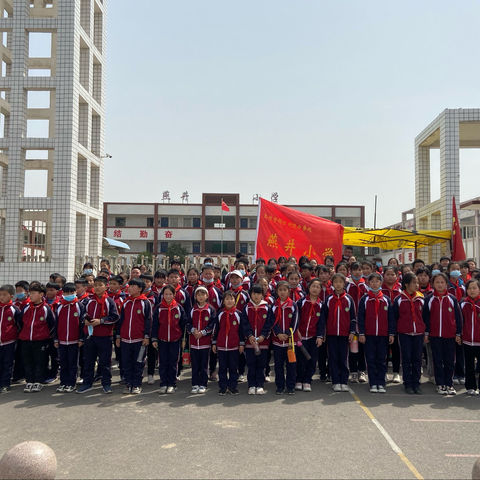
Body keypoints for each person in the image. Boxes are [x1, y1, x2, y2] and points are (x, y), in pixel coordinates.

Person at [77, 276, 119, 394]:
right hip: (90, 336)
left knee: (105, 362)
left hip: (105, 336)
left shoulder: (109, 301)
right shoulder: (87, 300)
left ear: (106, 286)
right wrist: (84, 321)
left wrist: (101, 321)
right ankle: (87, 383)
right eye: (95, 285)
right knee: (88, 361)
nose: (97, 287)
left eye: (100, 285)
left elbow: (115, 317)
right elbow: (81, 315)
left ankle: (106, 384)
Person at [423, 272, 462, 395]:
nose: (440, 285)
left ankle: (449, 384)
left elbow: (458, 317)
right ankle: (440, 384)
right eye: (437, 282)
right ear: (433, 284)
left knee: (450, 361)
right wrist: (427, 333)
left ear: (446, 284)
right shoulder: (429, 299)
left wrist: (458, 333)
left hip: (450, 335)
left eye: (442, 282)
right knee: (437, 360)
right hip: (435, 336)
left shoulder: (452, 299)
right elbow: (425, 318)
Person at [317, 273, 356, 392]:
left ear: (344, 284)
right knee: (333, 357)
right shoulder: (328, 299)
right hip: (332, 334)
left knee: (343, 358)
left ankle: (343, 381)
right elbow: (323, 318)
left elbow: (353, 317)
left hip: (345, 334)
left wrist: (352, 331)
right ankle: (335, 381)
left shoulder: (349, 299)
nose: (338, 284)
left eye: (340, 282)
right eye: (336, 282)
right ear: (332, 284)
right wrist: (323, 333)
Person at [358, 273, 395, 393]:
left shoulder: (386, 299)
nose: (374, 283)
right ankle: (373, 383)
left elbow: (391, 318)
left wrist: (391, 333)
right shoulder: (365, 299)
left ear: (381, 283)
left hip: (383, 335)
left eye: (377, 281)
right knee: (370, 359)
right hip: (369, 335)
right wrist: (362, 333)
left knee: (381, 359)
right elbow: (361, 318)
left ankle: (381, 382)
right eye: (372, 281)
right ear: (368, 283)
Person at [115, 278, 151, 394]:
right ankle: (128, 384)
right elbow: (121, 320)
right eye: (129, 286)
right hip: (125, 339)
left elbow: (148, 321)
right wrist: (118, 336)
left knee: (139, 362)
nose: (130, 288)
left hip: (139, 340)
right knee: (126, 362)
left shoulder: (145, 303)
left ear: (140, 289)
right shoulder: (126, 302)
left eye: (133, 286)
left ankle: (136, 384)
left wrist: (146, 336)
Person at [19, 283, 55, 392]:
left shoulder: (46, 308)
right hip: (26, 340)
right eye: (30, 293)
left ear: (41, 295)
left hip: (40, 341)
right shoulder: (26, 308)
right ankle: (29, 381)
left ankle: (38, 381)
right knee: (27, 361)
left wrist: (46, 337)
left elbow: (52, 324)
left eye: (34, 293)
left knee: (40, 361)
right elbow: (20, 323)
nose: (31, 295)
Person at [393, 273, 426, 394]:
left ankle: (416, 383)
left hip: (418, 333)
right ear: (406, 284)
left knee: (417, 359)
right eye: (414, 283)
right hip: (404, 333)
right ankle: (407, 383)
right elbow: (395, 316)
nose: (417, 285)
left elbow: (425, 316)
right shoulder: (399, 299)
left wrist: (425, 331)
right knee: (406, 359)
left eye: (417, 283)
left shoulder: (421, 298)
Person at [151, 285, 186, 394]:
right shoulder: (159, 308)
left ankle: (172, 383)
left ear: (174, 295)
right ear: (162, 295)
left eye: (170, 294)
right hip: (162, 340)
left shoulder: (178, 308)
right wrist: (154, 339)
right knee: (163, 362)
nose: (168, 296)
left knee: (173, 362)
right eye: (165, 294)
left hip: (175, 340)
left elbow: (183, 324)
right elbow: (155, 325)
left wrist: (183, 339)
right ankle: (163, 383)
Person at [241, 284, 274, 395]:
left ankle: (260, 385)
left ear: (262, 295)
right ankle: (251, 385)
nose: (256, 296)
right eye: (254, 293)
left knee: (261, 365)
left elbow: (269, 324)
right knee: (251, 364)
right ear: (250, 294)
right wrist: (249, 335)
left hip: (262, 342)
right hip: (250, 342)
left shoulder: (267, 308)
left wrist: (263, 336)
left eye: (258, 293)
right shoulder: (246, 307)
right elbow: (244, 324)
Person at [211, 290, 245, 395]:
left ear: (235, 300)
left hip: (234, 346)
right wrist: (214, 342)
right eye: (227, 299)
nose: (229, 301)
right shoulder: (220, 313)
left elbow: (241, 330)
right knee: (222, 368)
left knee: (233, 368)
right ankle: (223, 387)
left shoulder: (239, 314)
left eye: (231, 299)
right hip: (221, 346)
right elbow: (216, 329)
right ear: (223, 301)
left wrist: (241, 343)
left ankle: (233, 387)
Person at [54, 283, 85, 393]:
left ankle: (71, 383)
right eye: (66, 292)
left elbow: (82, 324)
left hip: (74, 341)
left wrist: (81, 339)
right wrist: (56, 339)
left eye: (71, 292)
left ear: (75, 293)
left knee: (72, 363)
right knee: (63, 363)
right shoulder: (59, 306)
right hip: (62, 341)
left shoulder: (79, 306)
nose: (69, 294)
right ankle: (63, 383)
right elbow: (56, 324)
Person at [186, 286, 216, 394]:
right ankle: (195, 384)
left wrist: (203, 332)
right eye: (198, 295)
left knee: (204, 365)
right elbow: (188, 323)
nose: (201, 297)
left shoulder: (210, 309)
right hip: (194, 343)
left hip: (205, 343)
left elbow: (212, 324)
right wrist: (193, 330)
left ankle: (203, 384)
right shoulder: (192, 309)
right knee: (195, 365)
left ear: (207, 296)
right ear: (195, 297)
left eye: (203, 294)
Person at [271, 281, 298, 395]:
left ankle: (291, 386)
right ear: (277, 291)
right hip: (277, 342)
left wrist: (287, 334)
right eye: (280, 290)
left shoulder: (293, 305)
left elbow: (295, 322)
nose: (282, 292)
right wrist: (278, 334)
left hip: (290, 342)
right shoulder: (273, 306)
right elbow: (271, 322)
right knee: (278, 365)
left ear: (289, 291)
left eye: (285, 290)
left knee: (291, 365)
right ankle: (280, 386)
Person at [296, 279, 322, 391]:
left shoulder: (321, 305)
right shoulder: (301, 302)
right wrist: (296, 330)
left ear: (320, 290)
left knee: (312, 359)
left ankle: (307, 380)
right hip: (300, 337)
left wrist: (320, 336)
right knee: (300, 359)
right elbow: (296, 318)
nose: (315, 289)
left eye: (318, 287)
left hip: (313, 337)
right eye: (313, 286)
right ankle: (299, 379)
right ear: (309, 288)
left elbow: (322, 323)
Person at [381, 266, 402, 384]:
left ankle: (396, 373)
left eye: (392, 274)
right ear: (383, 276)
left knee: (396, 350)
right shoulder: (380, 289)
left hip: (397, 324)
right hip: (383, 325)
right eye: (387, 274)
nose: (390, 277)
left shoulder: (400, 290)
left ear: (397, 276)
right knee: (383, 350)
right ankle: (383, 373)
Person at [460, 279, 480, 396]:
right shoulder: (463, 304)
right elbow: (460, 321)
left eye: (474, 288)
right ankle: (470, 387)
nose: (472, 290)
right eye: (469, 288)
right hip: (467, 340)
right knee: (469, 365)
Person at [0, 285, 21, 393]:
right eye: (0, 295)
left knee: (7, 363)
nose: (1, 297)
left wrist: (14, 337)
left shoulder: (14, 309)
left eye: (4, 295)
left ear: (11, 296)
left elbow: (19, 325)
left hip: (9, 342)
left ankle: (5, 384)